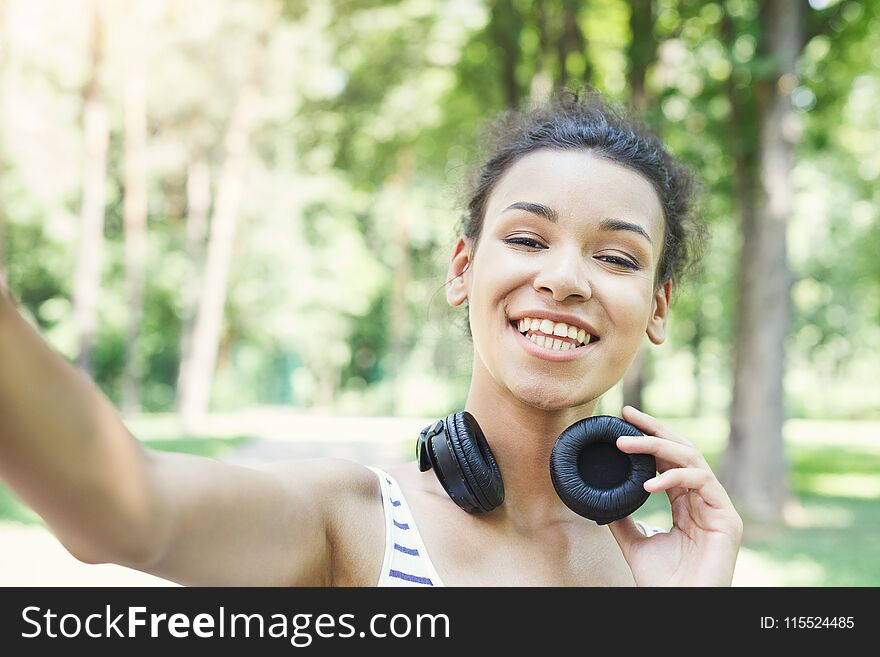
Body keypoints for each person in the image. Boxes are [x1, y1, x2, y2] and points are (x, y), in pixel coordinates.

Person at [0, 87, 742, 587]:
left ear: (657, 304)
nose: (566, 278)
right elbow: (124, 508)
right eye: (526, 237)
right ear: (463, 268)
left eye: (616, 257)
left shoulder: (659, 568)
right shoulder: (353, 519)